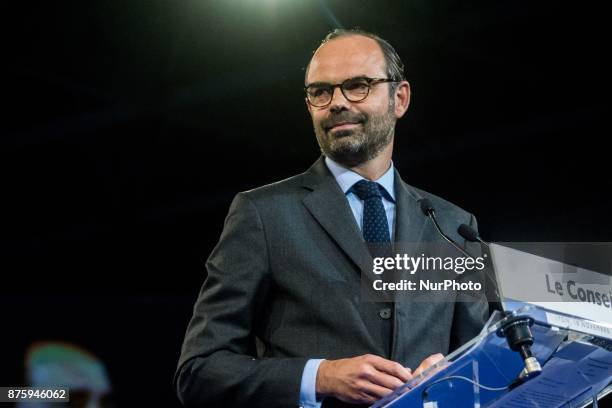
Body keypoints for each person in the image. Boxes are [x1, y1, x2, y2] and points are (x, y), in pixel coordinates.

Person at [174, 28, 488, 408]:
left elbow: (482, 370)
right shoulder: (263, 215)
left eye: (357, 85)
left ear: (399, 98)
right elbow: (200, 370)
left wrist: (451, 376)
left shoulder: (452, 225)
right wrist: (320, 377)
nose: (337, 102)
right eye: (321, 91)